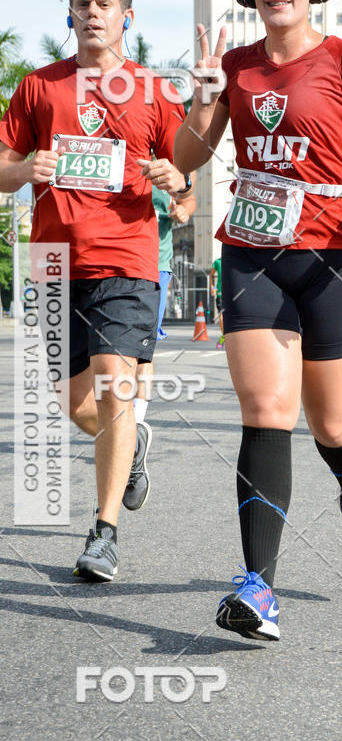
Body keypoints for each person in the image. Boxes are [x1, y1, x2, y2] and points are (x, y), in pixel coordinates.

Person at [174, 0, 342, 641]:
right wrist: (203, 97)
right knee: (266, 410)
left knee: (330, 424)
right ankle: (259, 589)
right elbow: (187, 157)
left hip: (337, 257)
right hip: (253, 252)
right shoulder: (236, 67)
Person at [0, 0, 189, 580]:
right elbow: (1, 166)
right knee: (76, 405)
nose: (92, 13)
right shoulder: (38, 88)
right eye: (83, 3)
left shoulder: (154, 91)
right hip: (54, 264)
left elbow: (185, 179)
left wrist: (177, 184)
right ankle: (133, 444)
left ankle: (103, 533)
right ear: (70, 13)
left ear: (126, 17)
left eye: (104, 4)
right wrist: (23, 170)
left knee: (114, 384)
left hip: (126, 260)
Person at [130, 178, 196, 511]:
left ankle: (135, 428)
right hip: (114, 262)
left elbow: (189, 197)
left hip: (156, 266)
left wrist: (184, 210)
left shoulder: (172, 160)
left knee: (142, 351)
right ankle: (123, 431)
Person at [210, 254, 224, 348]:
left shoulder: (234, 260)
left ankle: (227, 337)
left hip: (233, 294)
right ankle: (223, 337)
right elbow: (211, 275)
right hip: (220, 294)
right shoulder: (218, 262)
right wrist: (213, 287)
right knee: (221, 318)